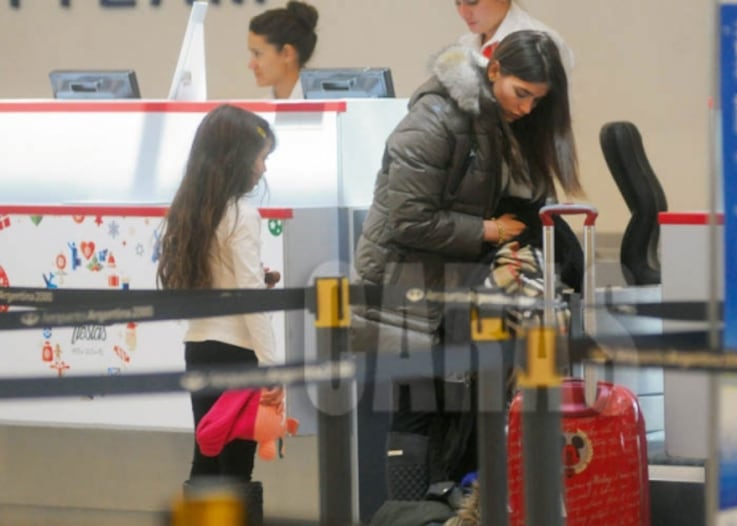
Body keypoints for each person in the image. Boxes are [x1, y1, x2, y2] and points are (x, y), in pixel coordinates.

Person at [353, 30, 583, 502]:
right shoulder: (436, 118)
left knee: (447, 412)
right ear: (493, 68)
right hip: (407, 282)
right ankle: (410, 516)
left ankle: (446, 511)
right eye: (522, 94)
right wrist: (489, 231)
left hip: (451, 284)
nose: (525, 109)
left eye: (536, 102)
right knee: (417, 410)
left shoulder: (495, 123)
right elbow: (408, 220)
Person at [157, 104, 284, 519]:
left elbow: (220, 281)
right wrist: (270, 367)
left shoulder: (192, 211)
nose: (263, 169)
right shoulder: (243, 215)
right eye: (261, 158)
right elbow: (250, 299)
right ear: (236, 159)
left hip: (200, 348)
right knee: (236, 471)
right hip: (239, 356)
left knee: (206, 457)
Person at [455, 0, 575, 72]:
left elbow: (556, 110)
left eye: (471, 1)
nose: (463, 13)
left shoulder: (543, 43)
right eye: (457, 2)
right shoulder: (465, 44)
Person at [247, 0, 319, 99]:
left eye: (258, 54)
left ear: (287, 53)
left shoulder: (326, 105)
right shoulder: (259, 110)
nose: (251, 65)